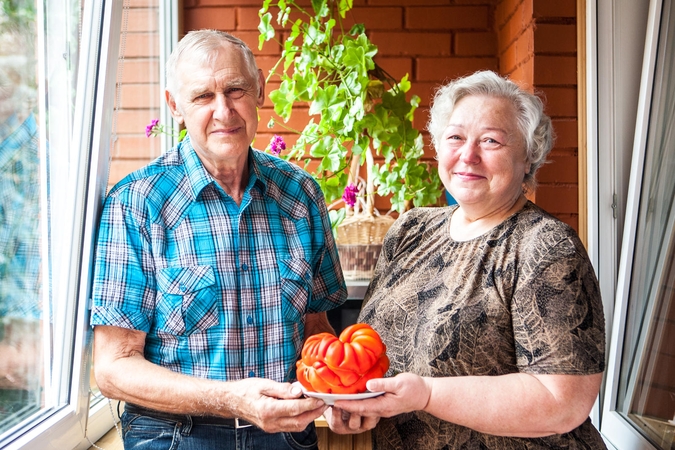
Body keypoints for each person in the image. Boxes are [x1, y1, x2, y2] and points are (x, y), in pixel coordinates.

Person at [90, 29, 347, 449]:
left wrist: (341, 387)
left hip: (285, 433)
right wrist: (231, 399)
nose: (224, 110)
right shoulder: (137, 204)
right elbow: (114, 368)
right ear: (175, 106)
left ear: (259, 89)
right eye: (202, 97)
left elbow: (316, 329)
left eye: (235, 89)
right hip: (175, 435)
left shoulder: (301, 196)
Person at [325, 70, 607, 449]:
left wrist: (426, 394)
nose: (468, 155)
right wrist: (353, 400)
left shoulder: (546, 246)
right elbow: (376, 354)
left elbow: (562, 402)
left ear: (528, 157)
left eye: (491, 141)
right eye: (455, 137)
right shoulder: (411, 230)